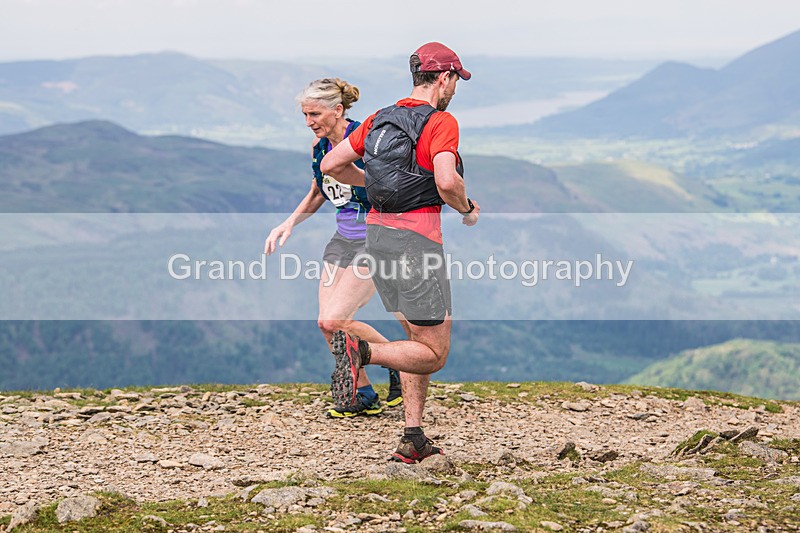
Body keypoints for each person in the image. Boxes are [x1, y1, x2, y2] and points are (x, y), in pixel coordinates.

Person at [320, 43, 479, 462]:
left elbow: (331, 165)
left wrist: (369, 185)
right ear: (443, 78)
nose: (454, 91)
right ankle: (363, 353)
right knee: (433, 353)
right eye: (454, 82)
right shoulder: (441, 121)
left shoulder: (378, 118)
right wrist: (466, 207)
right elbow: (446, 181)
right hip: (418, 245)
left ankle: (412, 437)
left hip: (377, 239)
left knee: (414, 337)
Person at [263, 78, 402, 417]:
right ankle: (363, 392)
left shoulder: (369, 141)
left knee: (337, 316)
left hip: (376, 239)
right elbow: (317, 192)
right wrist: (288, 223)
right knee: (327, 324)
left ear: (338, 110)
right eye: (305, 115)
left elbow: (391, 186)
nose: (310, 122)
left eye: (314, 114)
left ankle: (402, 362)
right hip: (342, 240)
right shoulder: (319, 147)